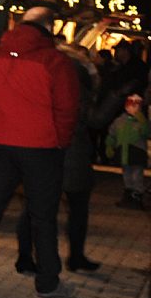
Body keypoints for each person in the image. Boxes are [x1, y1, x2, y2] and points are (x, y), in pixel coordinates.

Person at [0, 6, 81, 297]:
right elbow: (67, 109)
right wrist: (59, 141)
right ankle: (47, 280)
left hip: (0, 144)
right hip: (41, 147)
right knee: (42, 214)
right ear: (49, 27)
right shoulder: (55, 62)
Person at [18, 45, 102, 273]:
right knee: (77, 208)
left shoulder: (42, 80)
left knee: (34, 208)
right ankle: (73, 257)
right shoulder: (77, 85)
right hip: (71, 152)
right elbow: (93, 119)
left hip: (42, 148)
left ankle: (26, 258)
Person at [105, 92, 149, 209]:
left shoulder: (142, 121)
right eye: (131, 106)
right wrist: (109, 145)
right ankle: (129, 197)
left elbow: (147, 133)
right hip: (124, 153)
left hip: (137, 153)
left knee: (136, 176)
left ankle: (137, 197)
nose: (133, 108)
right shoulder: (119, 121)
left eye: (136, 106)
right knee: (127, 176)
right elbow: (112, 134)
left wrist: (143, 121)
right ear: (126, 107)